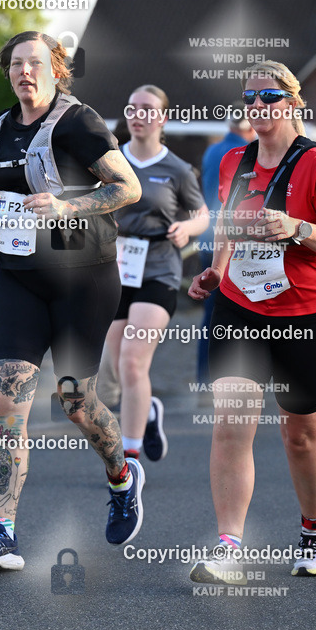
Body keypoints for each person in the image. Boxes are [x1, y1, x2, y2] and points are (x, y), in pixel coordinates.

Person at [0, 31, 144, 572]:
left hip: (82, 279)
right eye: (16, 64)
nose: (25, 73)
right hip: (17, 275)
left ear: (56, 69)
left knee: (76, 403)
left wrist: (68, 206)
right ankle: (2, 533)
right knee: (7, 411)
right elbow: (6, 191)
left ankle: (121, 477)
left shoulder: (79, 122)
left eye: (35, 63)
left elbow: (126, 188)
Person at [187, 61, 316, 582]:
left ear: (291, 103)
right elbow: (226, 226)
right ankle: (229, 547)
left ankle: (314, 529)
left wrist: (297, 228)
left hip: (307, 314)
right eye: (249, 98)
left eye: (268, 96)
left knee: (300, 435)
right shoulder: (232, 161)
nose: (257, 107)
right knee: (231, 425)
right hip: (239, 307)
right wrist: (215, 271)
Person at [103, 84, 209, 461]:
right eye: (133, 109)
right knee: (114, 366)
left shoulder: (177, 169)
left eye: (148, 109)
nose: (139, 116)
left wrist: (187, 229)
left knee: (133, 360)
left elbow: (201, 215)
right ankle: (148, 411)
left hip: (160, 270)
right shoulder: (110, 161)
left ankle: (129, 459)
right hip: (116, 271)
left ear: (162, 118)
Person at [196, 110, 256, 391]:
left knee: (211, 314)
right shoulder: (244, 152)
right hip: (231, 241)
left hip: (208, 237)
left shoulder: (211, 151)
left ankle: (205, 380)